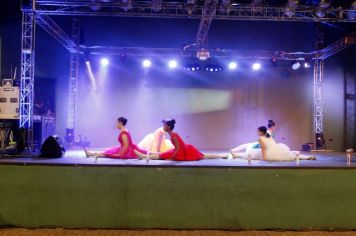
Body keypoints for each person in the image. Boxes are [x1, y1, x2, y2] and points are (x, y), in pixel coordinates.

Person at [136, 119, 227, 160]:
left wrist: (172, 156)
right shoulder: (172, 135)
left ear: (168, 127)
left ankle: (144, 156)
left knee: (204, 156)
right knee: (204, 156)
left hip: (185, 151)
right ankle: (222, 156)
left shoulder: (174, 135)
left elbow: (179, 148)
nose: (163, 126)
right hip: (182, 150)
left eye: (165, 125)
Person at [232, 126, 315, 161]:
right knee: (289, 155)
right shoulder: (269, 136)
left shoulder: (260, 138)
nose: (257, 132)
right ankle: (305, 157)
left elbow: (264, 149)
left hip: (269, 153)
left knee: (252, 153)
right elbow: (273, 145)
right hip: (278, 149)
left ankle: (237, 155)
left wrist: (264, 158)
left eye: (258, 131)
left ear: (261, 132)